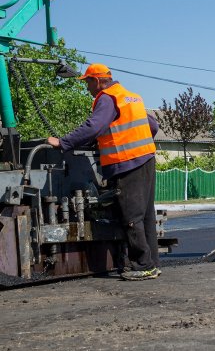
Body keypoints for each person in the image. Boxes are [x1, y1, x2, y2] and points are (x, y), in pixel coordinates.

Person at [47, 63, 160, 281]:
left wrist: (63, 142)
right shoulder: (130, 96)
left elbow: (93, 127)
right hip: (146, 158)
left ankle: (144, 265)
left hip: (127, 163)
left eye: (88, 82)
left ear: (98, 81)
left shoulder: (107, 98)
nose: (87, 87)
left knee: (131, 217)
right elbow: (152, 126)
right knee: (146, 214)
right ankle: (152, 263)